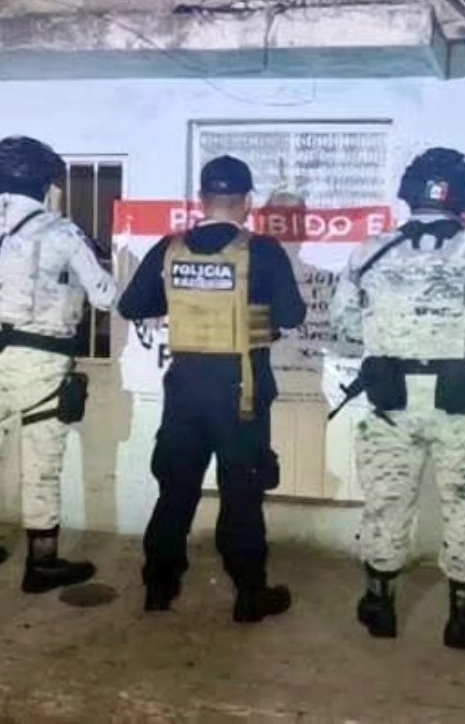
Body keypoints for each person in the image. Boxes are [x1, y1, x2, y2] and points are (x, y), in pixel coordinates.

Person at [330, 148, 465, 649]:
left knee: (386, 501)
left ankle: (379, 607)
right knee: (464, 502)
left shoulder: (371, 250)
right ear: (464, 198)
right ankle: (464, 617)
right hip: (460, 400)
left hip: (390, 400)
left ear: (409, 192)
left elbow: (343, 325)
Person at [118, 155, 306, 623]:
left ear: (202, 200)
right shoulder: (263, 252)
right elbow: (292, 315)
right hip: (242, 390)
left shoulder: (170, 248)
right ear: (247, 202)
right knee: (241, 493)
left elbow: (131, 306)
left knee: (175, 489)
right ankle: (249, 594)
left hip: (185, 388)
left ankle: (158, 588)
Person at [0, 136, 117, 594]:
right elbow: (105, 295)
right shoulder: (60, 232)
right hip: (41, 360)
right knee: (42, 459)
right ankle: (42, 562)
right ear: (45, 184)